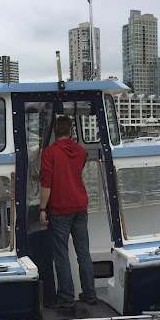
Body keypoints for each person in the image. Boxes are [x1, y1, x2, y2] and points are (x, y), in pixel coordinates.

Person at [39, 116, 97, 308]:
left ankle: (66, 296)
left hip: (60, 208)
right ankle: (89, 293)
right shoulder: (80, 151)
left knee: (61, 253)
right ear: (71, 131)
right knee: (83, 252)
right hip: (80, 206)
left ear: (55, 132)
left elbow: (46, 183)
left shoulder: (49, 153)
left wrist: (42, 209)